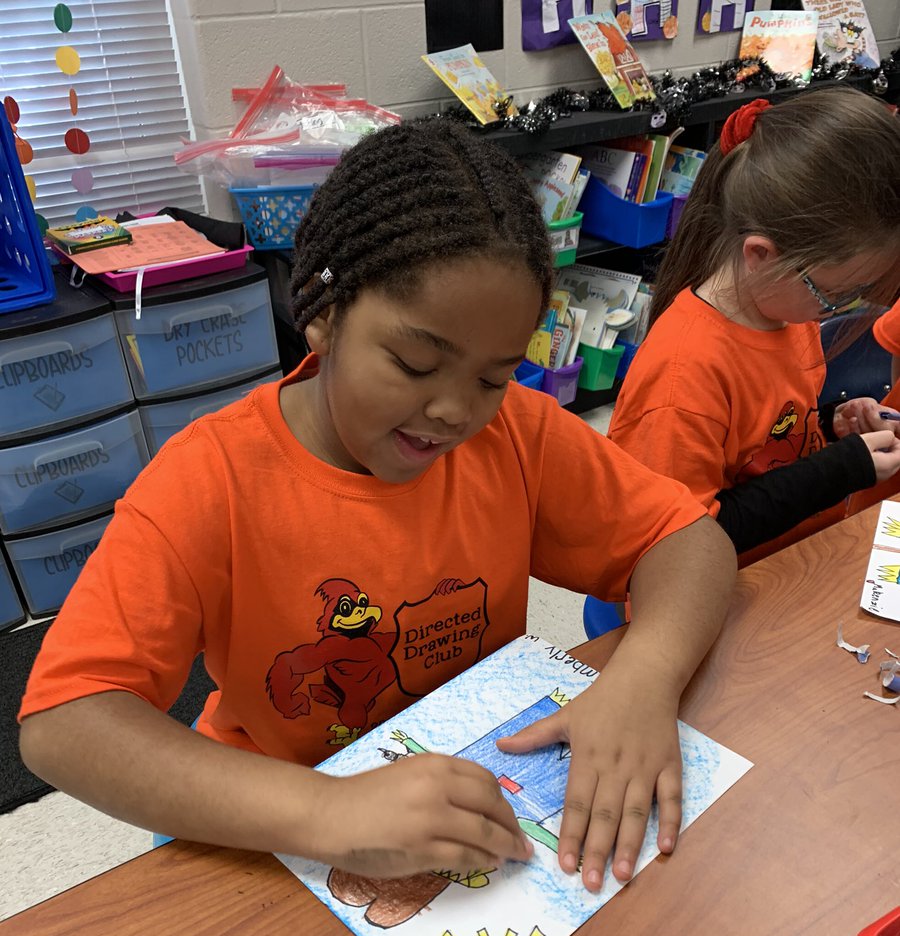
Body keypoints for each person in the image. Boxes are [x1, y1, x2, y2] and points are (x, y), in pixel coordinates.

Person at [19, 118, 736, 895]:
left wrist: (642, 679)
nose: (456, 411)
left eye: (493, 378)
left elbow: (688, 541)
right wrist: (327, 812)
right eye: (415, 363)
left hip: (470, 789)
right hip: (277, 814)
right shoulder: (210, 479)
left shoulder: (517, 436)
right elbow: (64, 722)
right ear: (321, 313)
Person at [608, 90, 900, 564]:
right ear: (762, 256)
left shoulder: (784, 313)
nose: (837, 310)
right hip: (714, 587)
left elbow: (762, 445)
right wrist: (840, 470)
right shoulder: (683, 378)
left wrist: (829, 427)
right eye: (835, 294)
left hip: (790, 559)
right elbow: (680, 542)